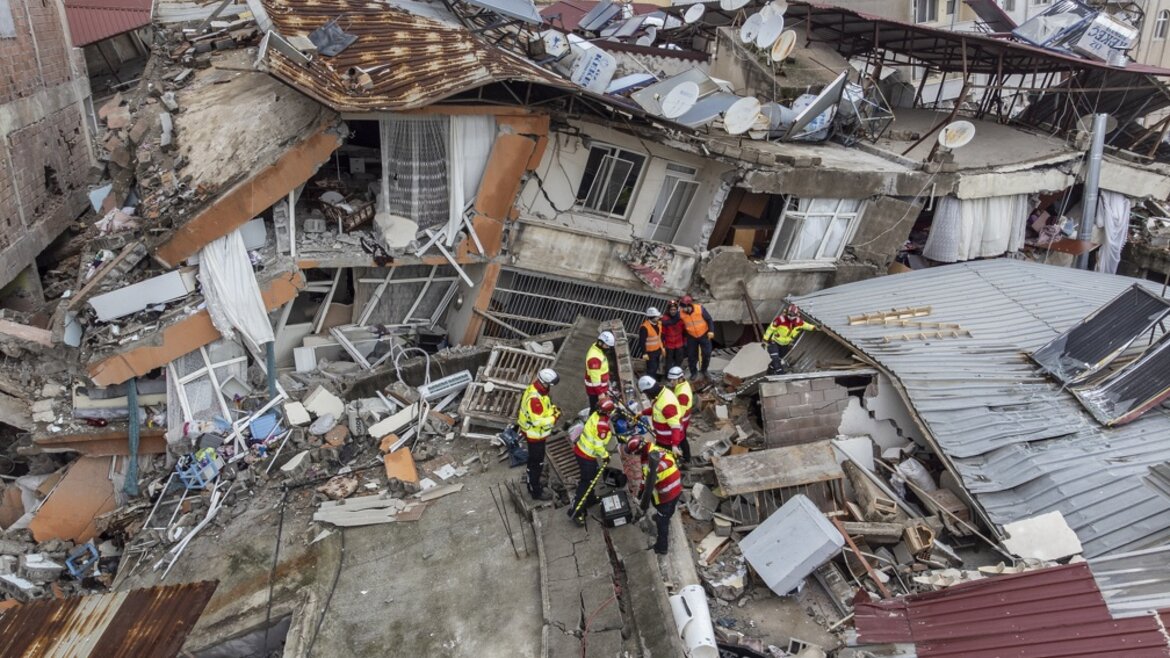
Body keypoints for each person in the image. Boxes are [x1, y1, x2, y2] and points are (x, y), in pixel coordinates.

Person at [625, 437, 683, 555]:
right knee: (667, 510)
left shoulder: (651, 463)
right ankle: (664, 516)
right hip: (675, 488)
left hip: (667, 494)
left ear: (638, 450)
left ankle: (662, 547)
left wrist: (643, 497)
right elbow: (645, 480)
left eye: (634, 453)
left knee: (663, 522)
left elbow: (649, 483)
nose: (634, 455)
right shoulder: (653, 451)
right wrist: (640, 491)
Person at [568, 397, 616, 527]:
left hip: (583, 451)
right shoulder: (602, 425)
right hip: (587, 456)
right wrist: (606, 456)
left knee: (592, 476)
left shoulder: (595, 415)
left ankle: (590, 499)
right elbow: (598, 445)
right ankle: (576, 511)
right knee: (586, 483)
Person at [518, 368, 561, 500]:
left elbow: (545, 408)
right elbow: (537, 421)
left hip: (537, 434)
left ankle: (533, 481)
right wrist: (554, 418)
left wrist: (553, 410)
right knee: (536, 463)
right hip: (535, 435)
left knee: (535, 461)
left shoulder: (538, 391)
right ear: (544, 382)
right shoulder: (535, 399)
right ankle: (535, 491)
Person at [763, 303, 817, 374]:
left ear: (796, 314)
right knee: (775, 358)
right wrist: (765, 339)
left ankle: (770, 371)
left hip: (785, 344)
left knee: (778, 360)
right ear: (786, 312)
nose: (790, 316)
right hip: (775, 342)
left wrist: (816, 327)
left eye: (793, 315)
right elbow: (770, 329)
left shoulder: (798, 322)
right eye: (789, 314)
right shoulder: (780, 320)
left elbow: (807, 326)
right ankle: (780, 374)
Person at [637, 375, 683, 451]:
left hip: (668, 442)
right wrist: (642, 412)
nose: (647, 395)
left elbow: (675, 426)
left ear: (649, 391)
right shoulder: (661, 394)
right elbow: (656, 409)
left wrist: (674, 445)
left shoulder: (667, 403)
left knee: (667, 460)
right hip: (661, 438)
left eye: (646, 393)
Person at [678, 295, 714, 380]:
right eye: (682, 307)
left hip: (704, 334)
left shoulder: (700, 309)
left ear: (689, 305)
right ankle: (693, 372)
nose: (683, 309)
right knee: (691, 356)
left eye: (684, 307)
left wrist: (711, 331)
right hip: (691, 336)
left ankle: (704, 370)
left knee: (707, 354)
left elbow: (709, 319)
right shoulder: (681, 314)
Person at [666, 367, 693, 463]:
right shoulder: (683, 385)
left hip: (682, 418)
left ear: (680, 378)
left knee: (681, 438)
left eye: (673, 380)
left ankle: (686, 458)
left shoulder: (682, 394)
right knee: (682, 437)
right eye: (671, 379)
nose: (671, 382)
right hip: (685, 416)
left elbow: (680, 413)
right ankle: (686, 457)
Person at [585, 330, 615, 412]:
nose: (608, 348)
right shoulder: (595, 358)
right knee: (596, 410)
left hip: (600, 387)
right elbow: (595, 378)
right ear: (601, 343)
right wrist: (600, 393)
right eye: (607, 346)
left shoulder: (598, 350)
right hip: (595, 390)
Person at [661, 301, 687, 375]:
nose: (673, 311)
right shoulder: (665, 319)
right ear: (668, 310)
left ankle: (676, 374)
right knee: (669, 361)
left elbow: (684, 331)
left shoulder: (681, 318)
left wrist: (684, 341)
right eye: (671, 310)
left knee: (679, 360)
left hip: (679, 343)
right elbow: (662, 333)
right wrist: (663, 345)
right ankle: (668, 376)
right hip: (669, 344)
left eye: (674, 309)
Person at [639, 307, 665, 379]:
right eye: (657, 317)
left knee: (656, 367)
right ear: (652, 317)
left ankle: (654, 380)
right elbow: (642, 341)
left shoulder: (659, 324)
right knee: (651, 369)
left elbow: (660, 337)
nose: (658, 318)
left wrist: (663, 348)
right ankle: (651, 382)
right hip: (650, 353)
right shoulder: (644, 327)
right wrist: (644, 353)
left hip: (658, 350)